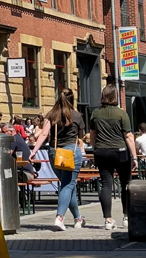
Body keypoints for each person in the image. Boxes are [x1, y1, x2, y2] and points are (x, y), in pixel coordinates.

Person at [30, 88, 85, 231]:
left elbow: (43, 134)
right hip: (72, 152)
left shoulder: (51, 114)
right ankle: (59, 217)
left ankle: (78, 218)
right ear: (72, 99)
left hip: (55, 152)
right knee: (68, 185)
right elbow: (80, 137)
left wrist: (34, 151)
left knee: (67, 185)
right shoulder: (77, 116)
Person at [90, 84, 138, 230]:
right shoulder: (121, 114)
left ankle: (108, 219)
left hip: (102, 151)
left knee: (106, 184)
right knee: (125, 184)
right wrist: (134, 156)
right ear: (115, 97)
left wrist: (95, 148)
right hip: (120, 151)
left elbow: (93, 135)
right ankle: (126, 216)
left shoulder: (95, 113)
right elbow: (128, 135)